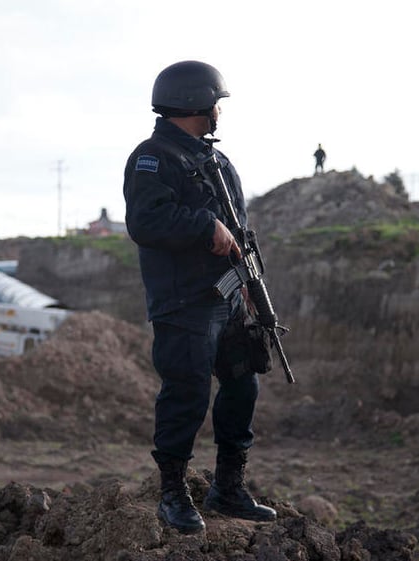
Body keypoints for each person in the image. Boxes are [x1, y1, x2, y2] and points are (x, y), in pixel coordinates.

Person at [123, 60, 277, 534]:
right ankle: (173, 494)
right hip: (185, 302)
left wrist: (251, 286)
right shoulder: (153, 157)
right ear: (193, 102)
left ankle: (228, 488)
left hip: (228, 296)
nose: (218, 111)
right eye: (215, 103)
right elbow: (145, 222)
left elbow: (240, 230)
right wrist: (203, 225)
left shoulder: (217, 161)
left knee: (242, 385)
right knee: (186, 395)